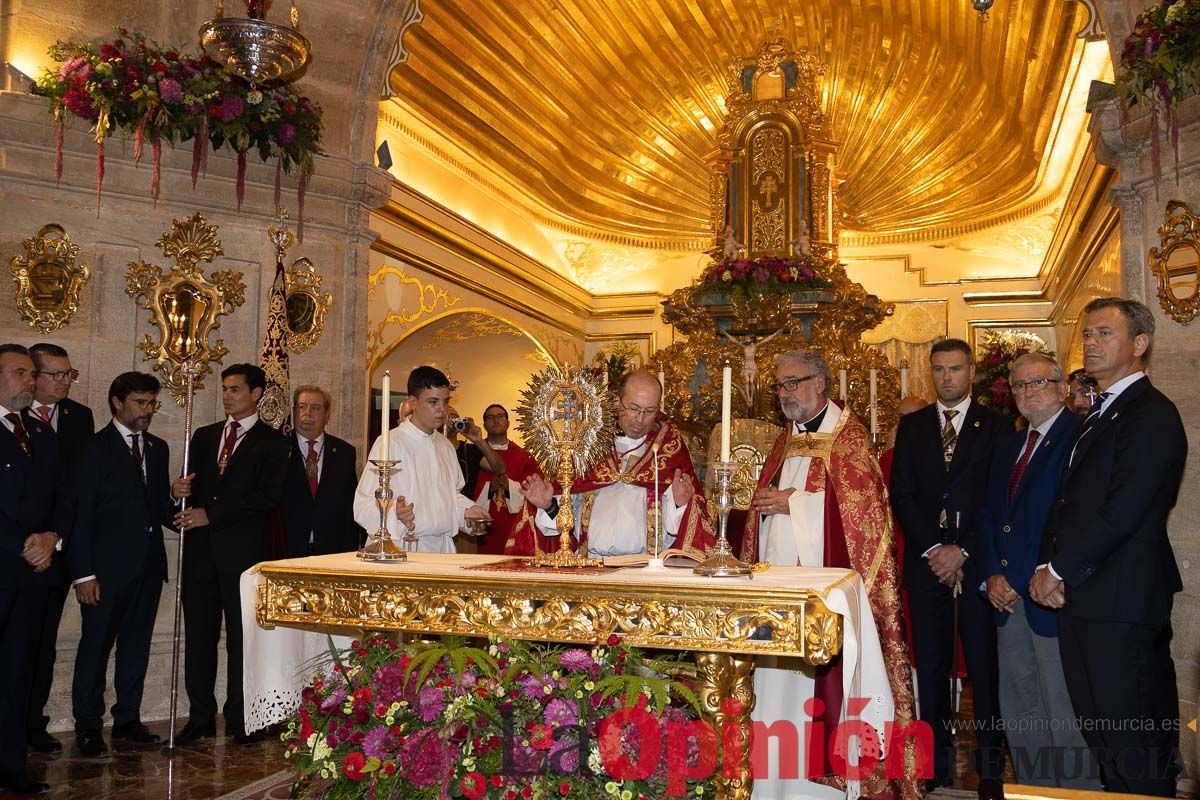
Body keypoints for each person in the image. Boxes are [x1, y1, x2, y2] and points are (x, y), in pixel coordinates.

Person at [739, 350, 919, 800]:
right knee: (774, 693)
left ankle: (825, 788)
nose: (785, 394)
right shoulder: (784, 440)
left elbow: (866, 521)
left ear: (821, 382)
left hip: (827, 598)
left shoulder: (849, 439)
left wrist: (791, 505)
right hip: (776, 590)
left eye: (793, 383)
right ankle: (772, 784)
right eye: (779, 386)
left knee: (816, 694)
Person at [1030, 298, 1187, 796]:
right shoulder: (1102, 413)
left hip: (1122, 598)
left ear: (1139, 346)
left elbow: (1126, 508)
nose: (1091, 342)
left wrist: (1059, 569)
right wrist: (1049, 565)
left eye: (1104, 333)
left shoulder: (1151, 413)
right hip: (1091, 596)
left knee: (1134, 744)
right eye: (1088, 333)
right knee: (1105, 741)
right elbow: (1070, 505)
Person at [889, 338, 1009, 799]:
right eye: (938, 370)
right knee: (933, 667)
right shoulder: (915, 425)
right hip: (927, 566)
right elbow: (902, 494)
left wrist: (962, 550)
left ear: (971, 370)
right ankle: (933, 764)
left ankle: (991, 769)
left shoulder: (995, 426)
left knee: (983, 667)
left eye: (955, 369)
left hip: (977, 566)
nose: (946, 378)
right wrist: (935, 549)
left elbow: (998, 500)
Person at [976, 353, 1098, 788]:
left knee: (1063, 710)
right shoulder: (1009, 444)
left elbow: (1079, 517)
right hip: (1007, 599)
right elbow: (988, 513)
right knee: (1020, 706)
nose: (1029, 393)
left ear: (1062, 387)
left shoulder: (1081, 436)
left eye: (1038, 383)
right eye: (1020, 386)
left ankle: (1077, 796)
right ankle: (1034, 792)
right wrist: (990, 574)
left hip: (1053, 597)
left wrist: (1049, 572)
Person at [171, 363, 289, 746]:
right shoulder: (204, 437)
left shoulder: (273, 442)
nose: (228, 396)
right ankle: (200, 717)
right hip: (201, 556)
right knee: (200, 639)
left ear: (256, 393)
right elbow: (192, 488)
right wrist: (179, 491)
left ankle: (241, 717)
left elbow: (268, 498)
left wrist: (212, 514)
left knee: (241, 640)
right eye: (225, 389)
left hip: (243, 558)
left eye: (236, 389)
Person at [69, 372, 180, 757]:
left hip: (148, 567)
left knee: (136, 646)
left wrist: (179, 503)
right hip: (104, 571)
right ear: (117, 403)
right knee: (95, 648)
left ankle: (128, 720)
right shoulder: (94, 449)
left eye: (151, 403)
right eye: (140, 402)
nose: (147, 410)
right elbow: (80, 515)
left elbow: (158, 509)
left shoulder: (158, 447)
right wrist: (83, 573)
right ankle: (87, 725)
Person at [509, 370, 715, 558]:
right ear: (617, 401)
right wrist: (548, 505)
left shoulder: (670, 448)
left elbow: (685, 527)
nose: (640, 419)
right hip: (591, 564)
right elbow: (563, 525)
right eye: (634, 408)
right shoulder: (586, 444)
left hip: (648, 568)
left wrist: (680, 505)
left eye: (650, 411)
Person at [0, 343, 69, 797]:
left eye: (32, 373)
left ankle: (10, 768)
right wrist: (20, 544)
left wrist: (51, 538)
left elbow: (65, 497)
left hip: (32, 577)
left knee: (17, 675)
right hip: (6, 565)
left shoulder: (42, 434)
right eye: (22, 373)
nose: (31, 381)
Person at [25, 342, 95, 755]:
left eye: (69, 374)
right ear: (33, 376)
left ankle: (34, 722)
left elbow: (77, 490)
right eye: (57, 374)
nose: (65, 381)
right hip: (13, 550)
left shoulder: (77, 417)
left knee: (42, 645)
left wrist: (58, 538)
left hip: (58, 550)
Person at [353, 366, 491, 552]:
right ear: (413, 402)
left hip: (442, 549)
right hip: (402, 547)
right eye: (433, 402)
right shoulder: (390, 443)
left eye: (445, 401)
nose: (442, 409)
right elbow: (364, 504)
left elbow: (449, 497)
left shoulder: (446, 446)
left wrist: (468, 512)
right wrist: (395, 513)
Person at [281, 385, 363, 557]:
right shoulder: (279, 449)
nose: (307, 413)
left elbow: (350, 507)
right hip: (286, 549)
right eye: (302, 407)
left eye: (316, 408)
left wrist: (351, 552)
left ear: (327, 415)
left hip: (332, 551)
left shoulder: (344, 452)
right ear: (294, 412)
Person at [471, 404, 541, 555]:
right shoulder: (472, 453)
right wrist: (490, 488)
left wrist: (509, 486)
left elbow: (537, 491)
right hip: (482, 528)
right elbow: (464, 489)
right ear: (484, 425)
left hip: (514, 526)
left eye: (500, 416)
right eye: (490, 417)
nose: (495, 420)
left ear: (508, 422)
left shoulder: (524, 456)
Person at [446, 404, 506, 500]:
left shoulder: (470, 450)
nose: (451, 422)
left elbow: (500, 469)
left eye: (454, 418)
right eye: (447, 418)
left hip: (466, 510)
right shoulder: (431, 448)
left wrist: (479, 441)